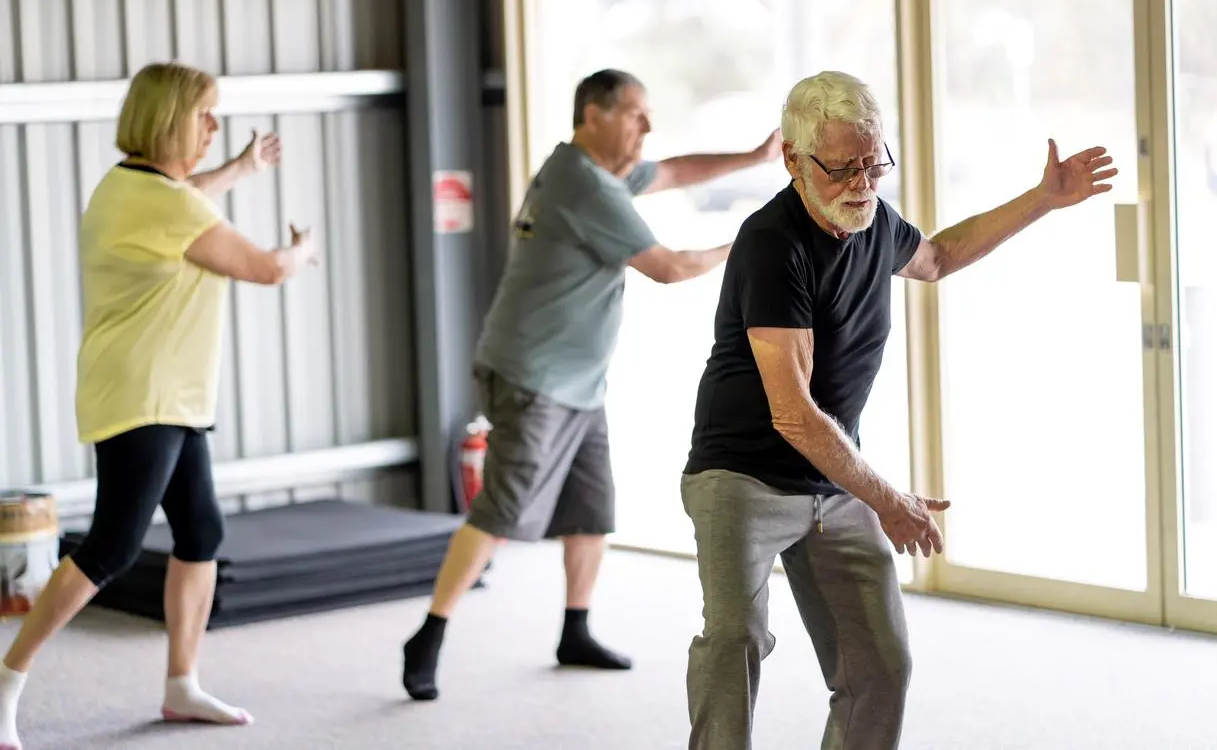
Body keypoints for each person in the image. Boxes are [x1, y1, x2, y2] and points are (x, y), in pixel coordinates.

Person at [680, 70, 1117, 750]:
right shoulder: (773, 243)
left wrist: (1044, 198)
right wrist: (888, 498)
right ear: (794, 160)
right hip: (742, 477)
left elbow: (940, 256)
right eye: (842, 167)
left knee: (880, 667)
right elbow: (792, 413)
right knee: (735, 638)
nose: (862, 181)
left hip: (834, 476)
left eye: (873, 161)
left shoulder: (876, 222)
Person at [401, 68, 784, 701]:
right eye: (636, 113)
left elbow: (675, 171)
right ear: (593, 116)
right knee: (500, 510)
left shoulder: (596, 172)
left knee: (590, 509)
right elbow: (668, 268)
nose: (648, 126)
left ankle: (574, 631)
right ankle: (429, 635)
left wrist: (752, 157)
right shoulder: (583, 186)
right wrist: (746, 242)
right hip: (535, 377)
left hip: (578, 379)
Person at [0, 61, 320, 750]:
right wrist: (301, 251)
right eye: (204, 114)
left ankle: (182, 684)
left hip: (169, 394)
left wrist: (236, 169)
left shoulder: (133, 186)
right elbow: (262, 267)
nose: (213, 126)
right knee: (111, 546)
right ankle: (6, 678)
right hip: (143, 396)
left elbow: (190, 194)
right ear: (169, 118)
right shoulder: (166, 204)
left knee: (200, 531)